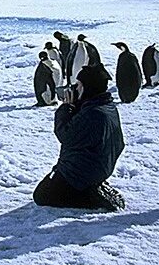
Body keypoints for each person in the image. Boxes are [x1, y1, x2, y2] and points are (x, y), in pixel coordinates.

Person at [33, 63, 126, 211]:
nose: (75, 89)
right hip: (97, 168)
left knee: (42, 195)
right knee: (50, 185)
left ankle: (92, 197)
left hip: (81, 174)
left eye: (78, 85)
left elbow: (65, 136)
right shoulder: (106, 107)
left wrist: (65, 108)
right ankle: (93, 186)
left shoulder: (92, 114)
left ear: (87, 87)